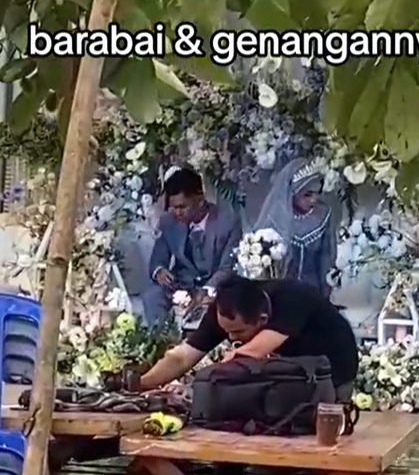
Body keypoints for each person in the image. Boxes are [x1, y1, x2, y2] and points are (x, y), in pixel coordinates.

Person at [139, 273, 358, 401]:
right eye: (226, 332)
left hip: (335, 371)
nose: (231, 337)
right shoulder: (226, 309)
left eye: (239, 332)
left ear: (262, 320)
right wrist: (140, 385)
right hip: (288, 372)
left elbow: (251, 353)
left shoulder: (293, 298)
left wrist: (197, 387)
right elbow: (182, 357)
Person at [142, 166, 242, 328]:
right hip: (181, 283)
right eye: (173, 207)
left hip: (215, 285)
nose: (177, 213)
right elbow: (158, 258)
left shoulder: (228, 222)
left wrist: (208, 289)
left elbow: (227, 267)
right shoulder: (168, 221)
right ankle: (160, 341)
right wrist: (159, 270)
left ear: (200, 199)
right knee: (152, 295)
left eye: (182, 207)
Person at [253, 158, 336, 297]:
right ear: (292, 192)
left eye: (317, 192)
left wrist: (325, 294)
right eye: (307, 195)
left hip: (312, 293)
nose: (313, 200)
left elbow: (327, 257)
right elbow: (263, 266)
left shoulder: (322, 214)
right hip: (280, 294)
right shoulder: (275, 218)